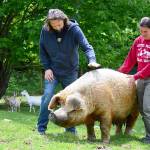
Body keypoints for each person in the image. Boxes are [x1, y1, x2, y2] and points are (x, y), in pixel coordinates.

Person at [37, 9, 101, 135]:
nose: (57, 28)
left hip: (70, 72)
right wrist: (47, 68)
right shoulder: (45, 31)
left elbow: (87, 46)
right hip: (53, 72)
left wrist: (92, 60)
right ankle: (41, 129)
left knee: (71, 101)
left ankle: (70, 130)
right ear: (49, 24)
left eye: (59, 24)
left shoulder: (74, 29)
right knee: (47, 96)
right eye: (53, 25)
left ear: (64, 20)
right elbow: (42, 50)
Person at [118, 17, 150, 144]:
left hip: (146, 78)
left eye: (145, 32)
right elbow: (129, 61)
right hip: (141, 80)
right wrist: (117, 75)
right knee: (142, 109)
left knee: (147, 108)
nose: (142, 34)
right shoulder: (138, 41)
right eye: (141, 31)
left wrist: (136, 76)